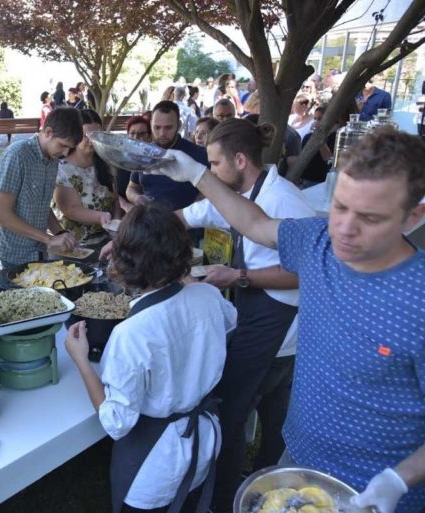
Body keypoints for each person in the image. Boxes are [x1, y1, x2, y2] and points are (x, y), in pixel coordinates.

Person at [150, 128, 425, 513]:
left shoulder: (418, 300)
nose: (344, 229)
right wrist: (198, 175)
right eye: (340, 207)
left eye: (369, 218)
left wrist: (400, 478)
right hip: (297, 466)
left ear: (413, 216)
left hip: (377, 495)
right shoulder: (318, 243)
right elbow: (256, 223)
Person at [175, 119, 315, 510]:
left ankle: (230, 498)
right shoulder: (239, 192)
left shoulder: (284, 201)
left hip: (280, 323)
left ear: (240, 160)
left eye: (215, 165)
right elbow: (194, 214)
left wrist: (239, 276)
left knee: (232, 411)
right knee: (270, 411)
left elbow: (303, 271)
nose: (212, 173)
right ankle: (264, 487)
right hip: (255, 309)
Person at [65, 202, 237, 513]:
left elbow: (116, 423)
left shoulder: (132, 333)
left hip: (156, 467)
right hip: (203, 444)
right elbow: (230, 320)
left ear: (126, 264)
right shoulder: (208, 296)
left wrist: (80, 360)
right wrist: (181, 278)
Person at [0, 108, 82, 266]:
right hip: (11, 254)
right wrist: (49, 239)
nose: (66, 153)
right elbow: (3, 215)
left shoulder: (53, 159)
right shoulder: (17, 156)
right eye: (63, 145)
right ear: (48, 132)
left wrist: (60, 233)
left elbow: (41, 204)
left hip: (37, 251)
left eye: (70, 148)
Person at [126, 101, 207, 210]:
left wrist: (190, 212)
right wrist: (136, 198)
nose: (162, 133)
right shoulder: (143, 152)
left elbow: (210, 194)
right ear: (150, 125)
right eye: (157, 127)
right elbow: (132, 187)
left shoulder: (199, 154)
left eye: (168, 128)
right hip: (149, 221)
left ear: (178, 125)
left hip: (186, 224)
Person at [52, 109, 116, 242]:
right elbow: (71, 209)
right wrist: (101, 217)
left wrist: (118, 225)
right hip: (75, 242)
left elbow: (115, 202)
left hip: (109, 238)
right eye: (86, 135)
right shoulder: (62, 169)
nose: (91, 140)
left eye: (96, 135)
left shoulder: (106, 162)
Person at [115, 115, 152, 213]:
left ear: (149, 137)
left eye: (141, 134)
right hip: (122, 211)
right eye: (132, 133)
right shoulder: (117, 161)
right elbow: (112, 191)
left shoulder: (154, 163)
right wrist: (126, 206)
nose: (136, 138)